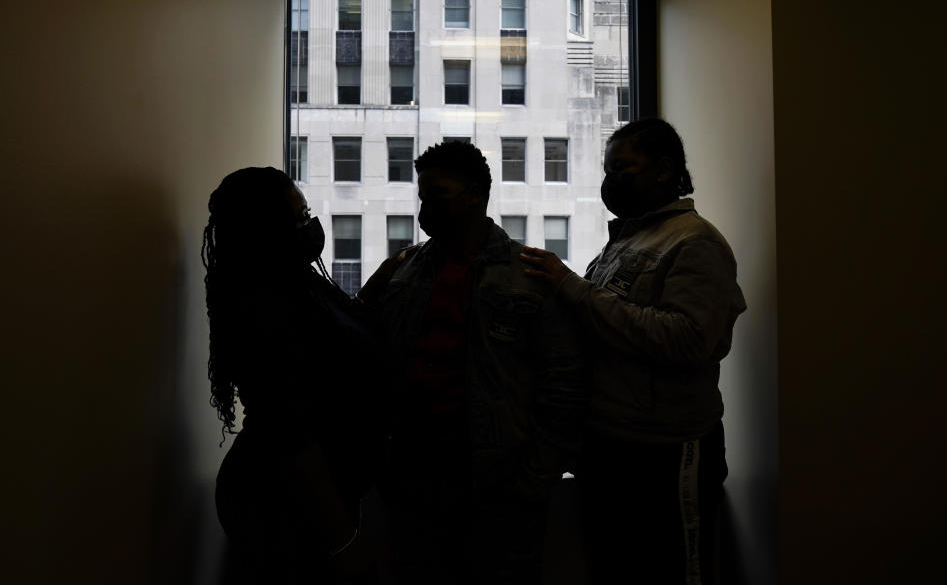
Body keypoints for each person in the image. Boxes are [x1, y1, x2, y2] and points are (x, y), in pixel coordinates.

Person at [520, 118, 747, 585]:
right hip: (609, 447)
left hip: (667, 452)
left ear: (664, 171)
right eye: (608, 169)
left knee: (674, 571)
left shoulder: (695, 242)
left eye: (623, 167)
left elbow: (686, 340)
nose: (611, 179)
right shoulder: (626, 240)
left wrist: (572, 287)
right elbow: (601, 325)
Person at [361, 141, 586, 585]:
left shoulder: (529, 274)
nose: (426, 209)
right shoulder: (405, 269)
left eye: (438, 196)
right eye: (422, 196)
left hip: (499, 482)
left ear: (476, 196)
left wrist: (535, 477)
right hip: (414, 474)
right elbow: (372, 350)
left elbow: (564, 382)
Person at [202, 167, 390, 584]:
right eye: (300, 218)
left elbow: (339, 330)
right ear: (266, 229)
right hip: (282, 505)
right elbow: (291, 435)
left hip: (308, 499)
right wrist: (342, 541)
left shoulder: (294, 281)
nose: (312, 226)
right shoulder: (264, 307)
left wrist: (381, 282)